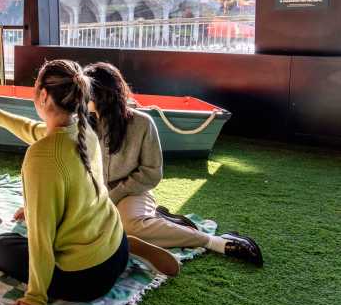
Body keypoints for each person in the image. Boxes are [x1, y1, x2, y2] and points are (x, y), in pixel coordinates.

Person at [0, 59, 179, 305]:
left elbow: (41, 234)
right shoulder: (83, 129)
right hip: (116, 247)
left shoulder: (43, 155)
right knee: (28, 235)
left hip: (87, 279)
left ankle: (110, 250)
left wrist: (36, 296)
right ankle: (125, 246)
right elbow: (34, 130)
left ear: (44, 96)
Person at [83, 62, 263, 266]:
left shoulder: (142, 123)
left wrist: (115, 193)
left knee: (129, 226)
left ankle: (214, 241)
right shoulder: (82, 124)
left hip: (133, 192)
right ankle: (161, 221)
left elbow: (151, 173)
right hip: (98, 195)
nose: (81, 97)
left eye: (87, 92)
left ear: (104, 94)